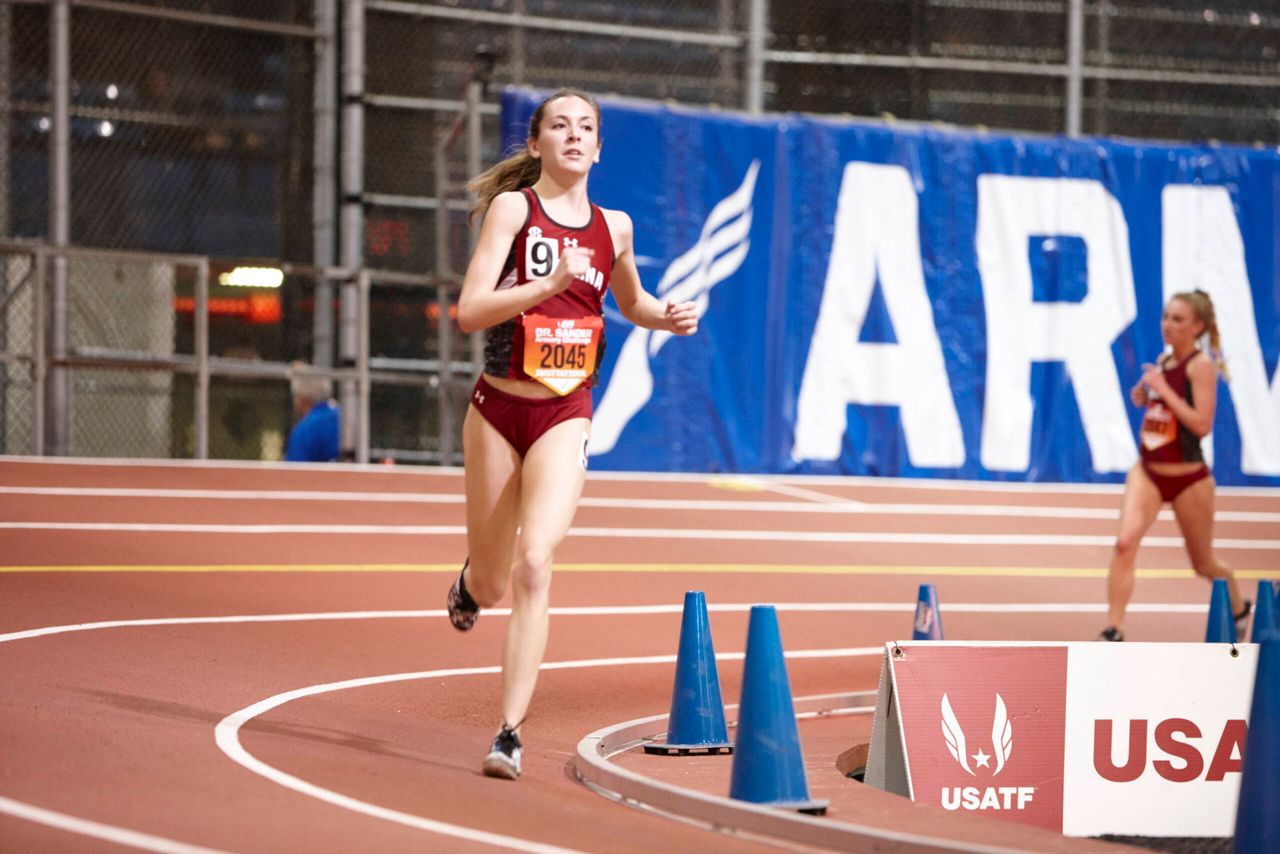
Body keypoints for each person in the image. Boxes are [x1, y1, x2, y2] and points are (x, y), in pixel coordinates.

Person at [445, 89, 699, 779]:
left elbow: (631, 300)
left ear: (599, 148)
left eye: (586, 127)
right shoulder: (513, 211)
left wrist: (664, 316)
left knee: (535, 564)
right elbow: (470, 310)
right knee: (493, 582)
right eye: (559, 125)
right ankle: (469, 583)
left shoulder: (615, 228)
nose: (574, 136)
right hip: (497, 411)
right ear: (536, 144)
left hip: (566, 411)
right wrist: (545, 284)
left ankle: (508, 733)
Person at [1097, 291, 1250, 641]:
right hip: (1149, 472)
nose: (1167, 324)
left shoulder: (1201, 365)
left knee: (1203, 564)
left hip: (1188, 478)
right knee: (1124, 543)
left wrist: (1163, 390)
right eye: (1166, 316)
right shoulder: (1164, 360)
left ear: (1198, 327)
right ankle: (1114, 629)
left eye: (1178, 319)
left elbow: (1201, 425)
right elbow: (1164, 411)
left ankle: (1240, 607)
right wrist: (1145, 397)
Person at [284, 363, 339, 462]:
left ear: (301, 397)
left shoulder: (304, 430)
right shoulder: (345, 416)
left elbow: (293, 470)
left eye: (295, 395)